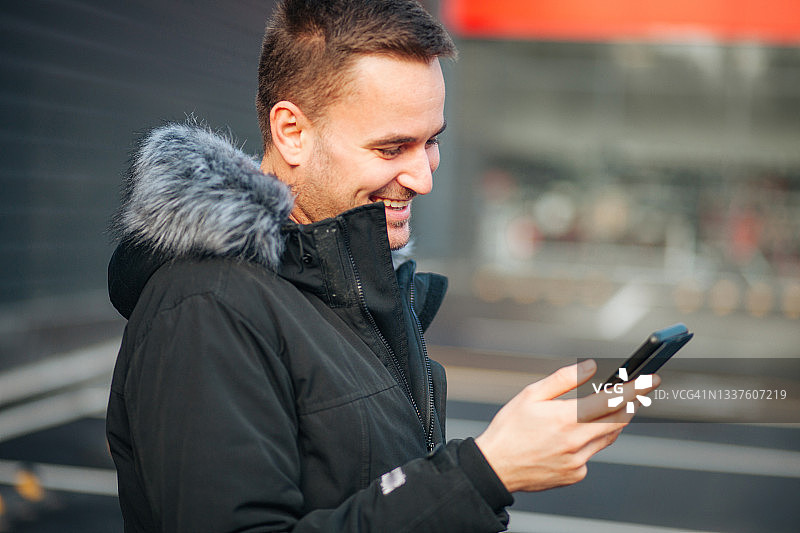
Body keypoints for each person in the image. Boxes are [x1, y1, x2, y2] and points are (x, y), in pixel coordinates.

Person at [106, 1, 659, 531]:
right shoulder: (206, 307)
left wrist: (492, 465)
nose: (423, 177)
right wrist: (484, 473)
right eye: (392, 148)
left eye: (431, 142)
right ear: (292, 132)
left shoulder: (343, 282)